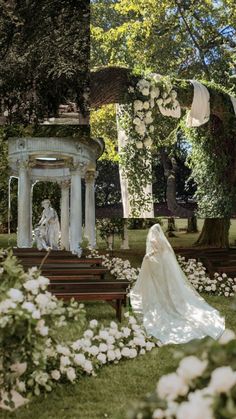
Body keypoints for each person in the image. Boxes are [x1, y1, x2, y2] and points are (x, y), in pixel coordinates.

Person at [130, 223, 225, 345]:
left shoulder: (153, 239)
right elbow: (165, 251)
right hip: (162, 266)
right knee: (165, 287)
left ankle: (166, 304)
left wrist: (148, 256)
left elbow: (154, 251)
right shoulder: (163, 242)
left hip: (157, 266)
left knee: (160, 288)